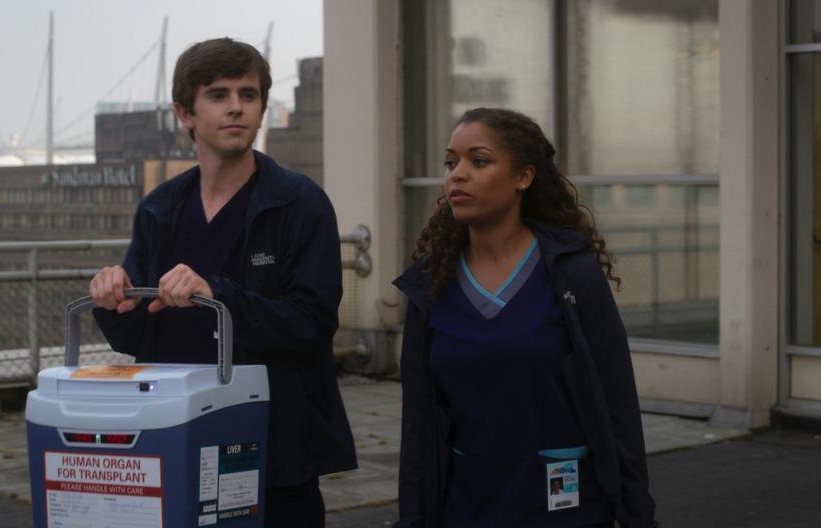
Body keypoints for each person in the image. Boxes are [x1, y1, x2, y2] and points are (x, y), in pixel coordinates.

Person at [89, 37, 357, 527]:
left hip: (275, 444)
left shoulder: (299, 204)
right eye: (218, 94)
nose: (237, 107)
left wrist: (219, 296)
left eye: (248, 94)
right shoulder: (161, 208)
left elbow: (313, 323)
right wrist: (112, 302)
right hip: (176, 435)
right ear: (184, 113)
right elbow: (141, 338)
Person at [393, 108, 656, 527]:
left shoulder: (571, 274)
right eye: (451, 162)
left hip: (563, 507)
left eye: (478, 161)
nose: (457, 175)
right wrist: (413, 516)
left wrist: (638, 514)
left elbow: (617, 404)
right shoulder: (431, 285)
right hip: (469, 506)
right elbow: (419, 424)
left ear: (524, 177)